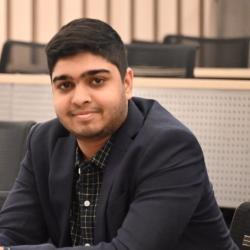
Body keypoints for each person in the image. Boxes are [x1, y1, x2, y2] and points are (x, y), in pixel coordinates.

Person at [0, 18, 238, 250]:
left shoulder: (170, 147)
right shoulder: (43, 141)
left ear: (126, 83)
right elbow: (12, 233)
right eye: (65, 85)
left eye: (96, 81)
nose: (80, 98)